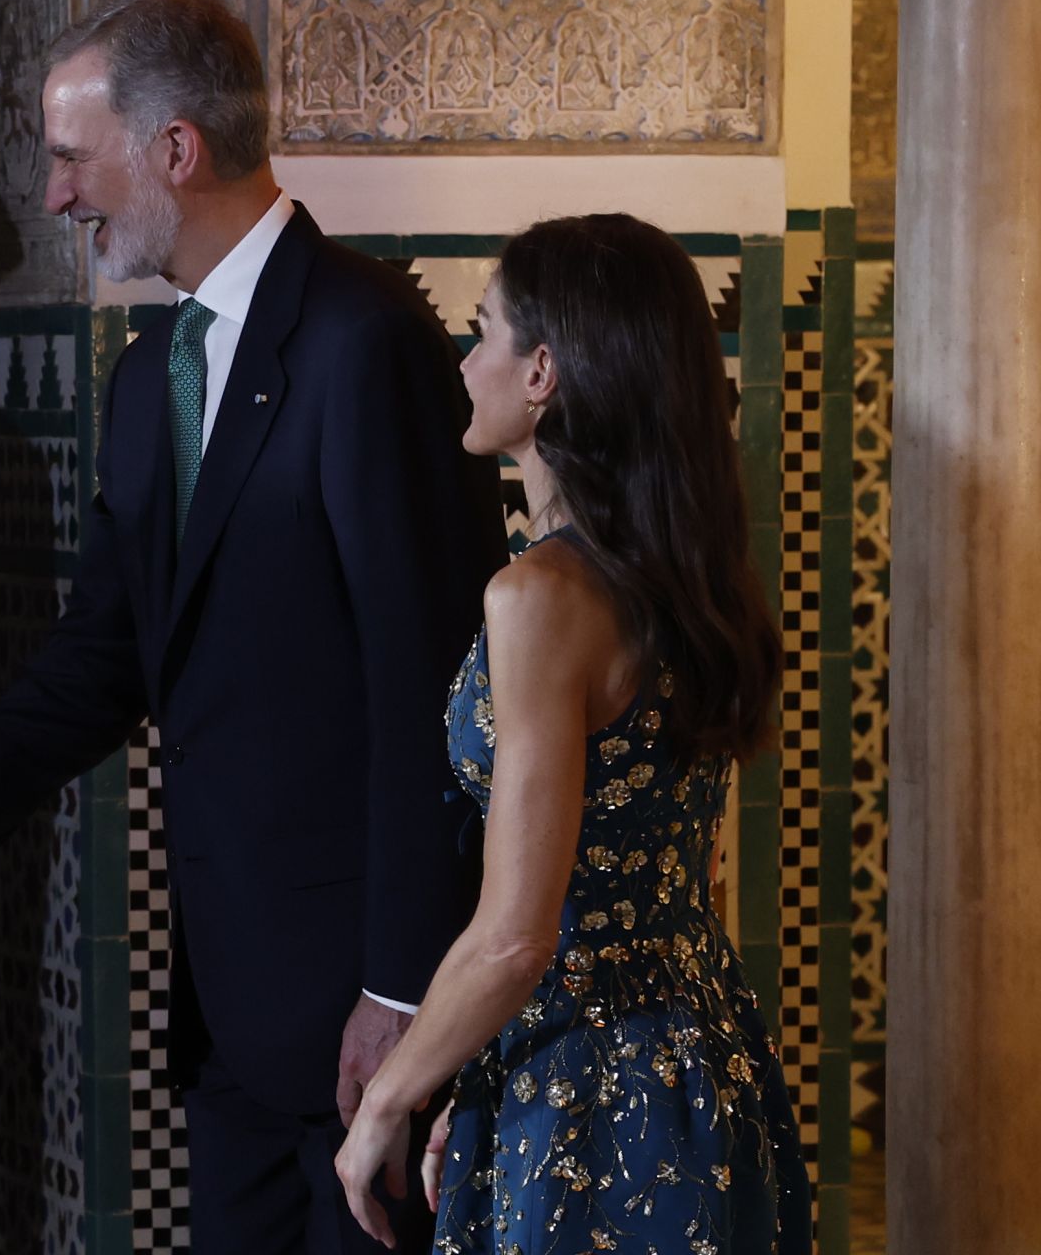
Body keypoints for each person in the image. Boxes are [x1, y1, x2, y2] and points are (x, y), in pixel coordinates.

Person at [0, 0, 506, 1250]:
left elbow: (441, 687)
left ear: (174, 150)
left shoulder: (369, 341)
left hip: (372, 1021)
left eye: (69, 156)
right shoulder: (149, 377)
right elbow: (105, 653)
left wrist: (404, 983)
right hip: (227, 1014)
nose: (55, 196)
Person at [333, 213, 811, 1253]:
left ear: (543, 370)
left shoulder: (540, 596)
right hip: (703, 1057)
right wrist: (481, 1068)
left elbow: (515, 933)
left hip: (595, 1092)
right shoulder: (685, 569)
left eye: (487, 331)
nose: (467, 360)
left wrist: (389, 1101)